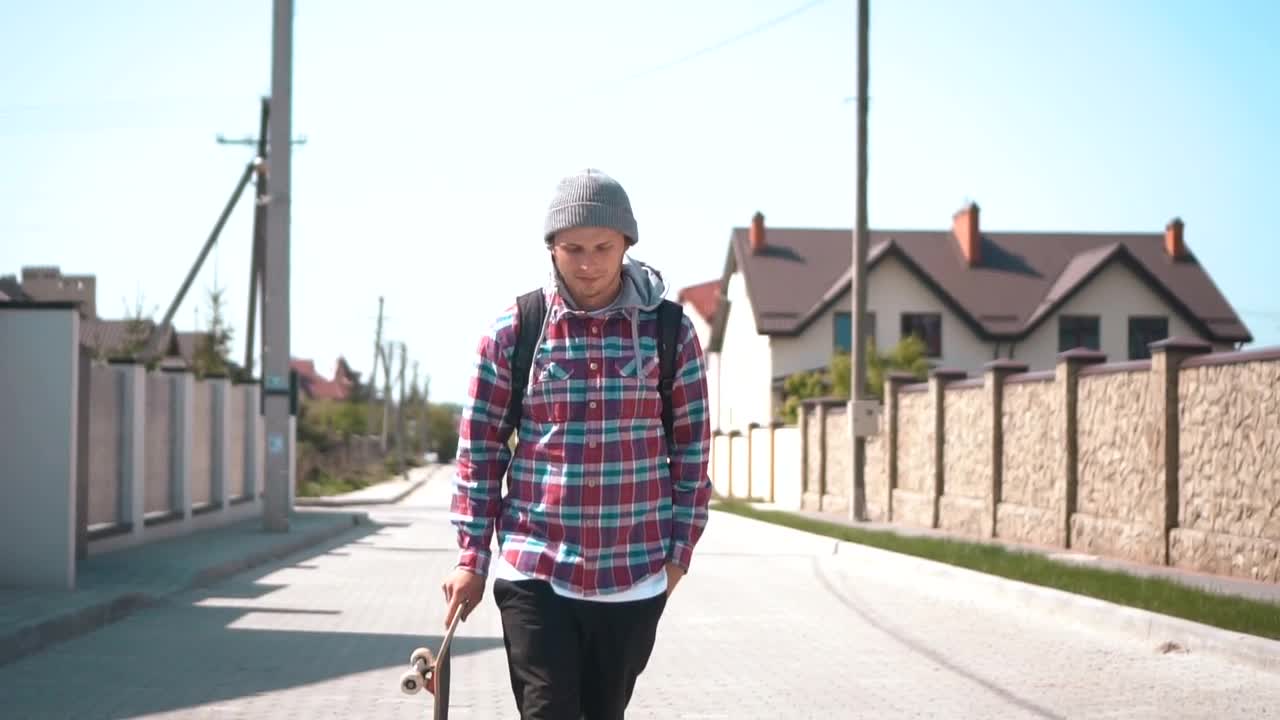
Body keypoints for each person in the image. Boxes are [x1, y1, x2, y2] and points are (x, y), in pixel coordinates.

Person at [442, 168, 713, 719]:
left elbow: (692, 452)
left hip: (633, 573)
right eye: (573, 249)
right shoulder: (515, 331)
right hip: (535, 566)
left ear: (626, 246)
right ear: (551, 248)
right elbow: (481, 452)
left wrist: (677, 556)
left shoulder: (670, 332)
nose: (588, 264)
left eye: (602, 248)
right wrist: (472, 557)